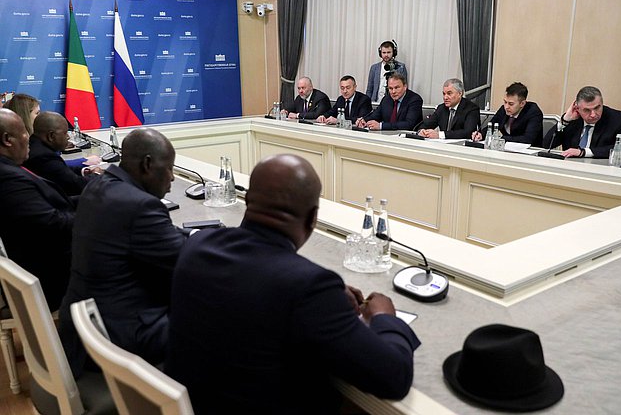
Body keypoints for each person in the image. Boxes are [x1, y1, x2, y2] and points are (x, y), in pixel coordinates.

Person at [166, 154, 420, 414]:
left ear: (248, 201)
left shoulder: (198, 245)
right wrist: (384, 317)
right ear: (312, 218)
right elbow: (393, 378)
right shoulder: (309, 287)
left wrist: (326, 300)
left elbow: (256, 282)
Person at [59, 128, 190, 378]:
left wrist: (192, 236)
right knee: (217, 316)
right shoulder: (140, 205)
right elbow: (184, 262)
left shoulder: (100, 186)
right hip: (120, 335)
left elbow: (158, 238)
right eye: (169, 168)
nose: (172, 177)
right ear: (148, 165)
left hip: (88, 327)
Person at [0, 108, 75, 310]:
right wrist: (95, 214)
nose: (30, 138)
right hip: (52, 277)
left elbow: (53, 206)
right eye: (25, 131)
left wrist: (93, 200)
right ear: (8, 139)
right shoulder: (8, 179)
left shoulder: (10, 169)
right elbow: (52, 223)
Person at [23, 112, 103, 196]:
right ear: (51, 136)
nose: (68, 137)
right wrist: (97, 174)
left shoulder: (35, 145)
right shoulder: (44, 156)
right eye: (65, 133)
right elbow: (77, 186)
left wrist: (83, 171)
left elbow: (62, 170)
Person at [543, 86, 621, 158]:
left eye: (597, 108)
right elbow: (546, 145)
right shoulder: (572, 118)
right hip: (570, 168)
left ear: (602, 104)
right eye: (587, 110)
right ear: (577, 108)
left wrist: (583, 152)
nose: (593, 114)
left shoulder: (619, 120)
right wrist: (564, 121)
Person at [474, 82, 543, 146]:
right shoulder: (503, 109)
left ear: (522, 103)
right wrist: (481, 135)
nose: (506, 107)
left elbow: (527, 139)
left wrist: (500, 138)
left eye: (511, 104)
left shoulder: (533, 112)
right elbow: (491, 126)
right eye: (505, 102)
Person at [357, 72, 423, 131]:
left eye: (397, 88)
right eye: (390, 88)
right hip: (387, 136)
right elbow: (375, 115)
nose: (393, 92)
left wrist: (381, 126)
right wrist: (364, 120)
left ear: (405, 86)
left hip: (407, 138)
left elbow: (409, 124)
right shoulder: (386, 99)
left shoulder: (415, 100)